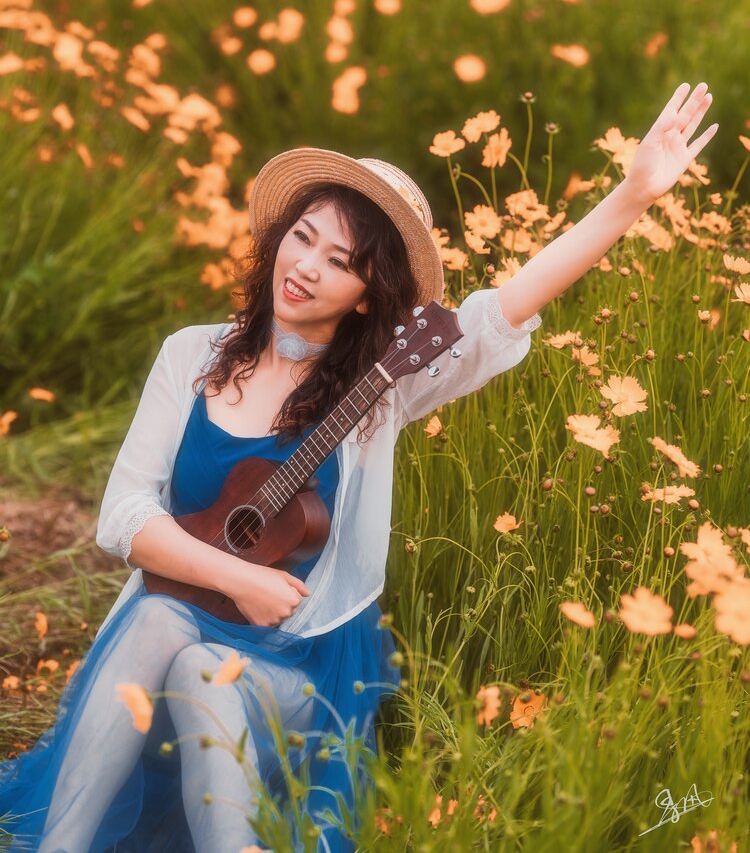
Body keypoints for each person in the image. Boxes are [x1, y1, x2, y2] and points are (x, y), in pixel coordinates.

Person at [0, 87, 717, 851]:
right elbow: (124, 517)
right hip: (173, 631)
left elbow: (499, 310)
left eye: (338, 261)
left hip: (301, 666)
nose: (305, 268)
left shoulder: (379, 392)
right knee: (161, 622)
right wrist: (240, 578)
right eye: (301, 238)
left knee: (210, 674)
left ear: (370, 297)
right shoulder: (191, 356)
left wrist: (632, 196)